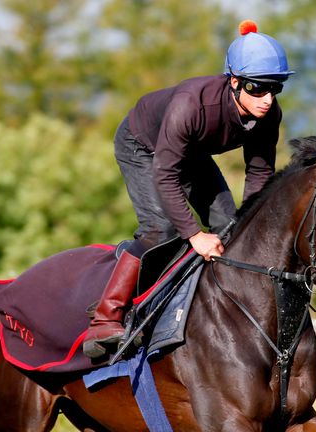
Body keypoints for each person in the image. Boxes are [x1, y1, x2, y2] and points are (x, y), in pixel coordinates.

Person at [83, 20, 295, 358]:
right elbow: (166, 175)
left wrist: (249, 227)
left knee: (231, 228)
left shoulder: (268, 115)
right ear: (235, 82)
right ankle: (105, 318)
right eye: (257, 88)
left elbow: (259, 173)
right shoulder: (190, 106)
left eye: (276, 88)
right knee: (162, 230)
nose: (267, 99)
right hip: (141, 145)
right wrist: (194, 235)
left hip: (189, 150)